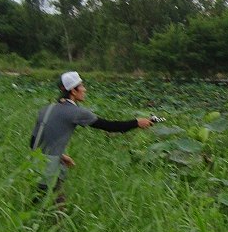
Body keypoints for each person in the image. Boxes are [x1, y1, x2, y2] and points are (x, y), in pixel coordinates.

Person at [30, 71, 153, 204]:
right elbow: (109, 126)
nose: (84, 89)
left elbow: (34, 142)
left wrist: (60, 155)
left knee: (39, 201)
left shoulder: (47, 109)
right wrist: (136, 123)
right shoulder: (76, 112)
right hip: (51, 167)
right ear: (73, 91)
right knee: (57, 208)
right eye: (81, 86)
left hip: (36, 162)